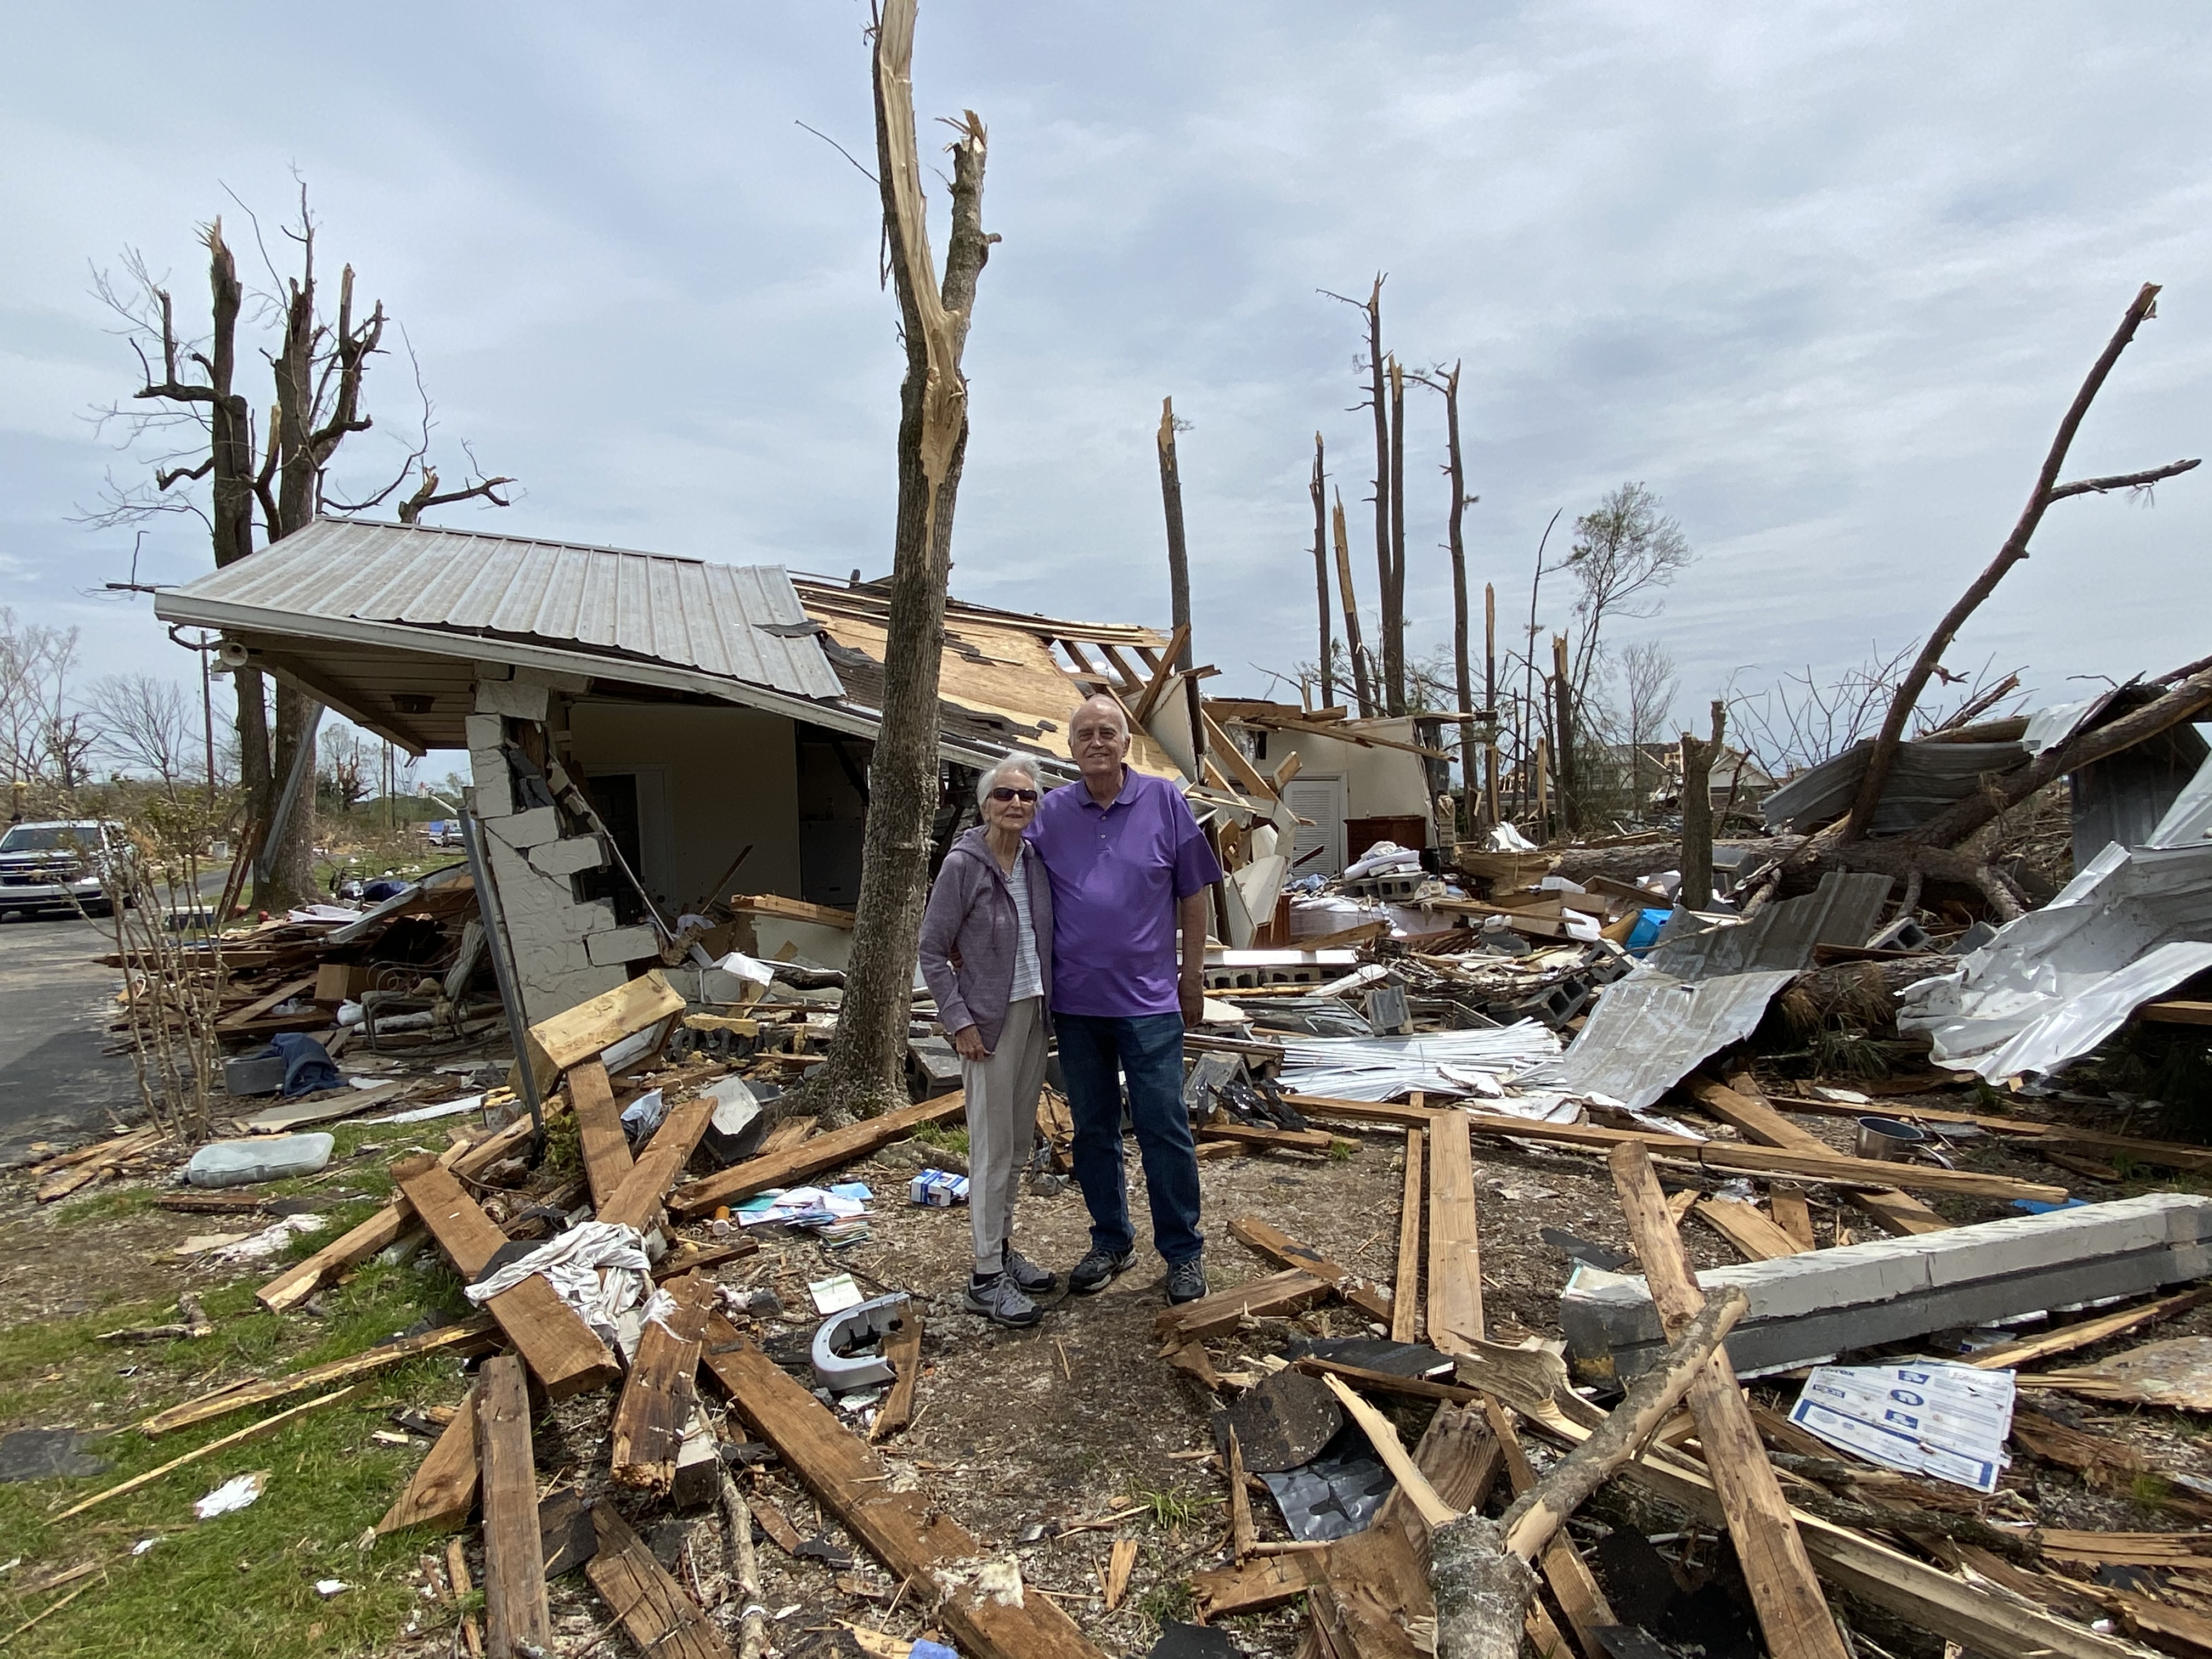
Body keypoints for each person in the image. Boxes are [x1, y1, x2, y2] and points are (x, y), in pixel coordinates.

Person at [1026, 693, 1221, 1306]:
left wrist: (1192, 978)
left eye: (1107, 731)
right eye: (1084, 733)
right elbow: (1007, 870)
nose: (1096, 741)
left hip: (1152, 1003)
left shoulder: (1164, 800)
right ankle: (1111, 1240)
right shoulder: (1051, 812)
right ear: (1070, 746)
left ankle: (1183, 1253)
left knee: (1164, 1127)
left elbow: (1196, 894)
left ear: (1126, 742)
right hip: (1078, 1004)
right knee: (1093, 1130)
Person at [917, 755, 1060, 1328]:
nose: (1017, 804)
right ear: (985, 803)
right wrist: (960, 1020)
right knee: (991, 1150)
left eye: (1028, 796)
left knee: (1019, 1144)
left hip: (1033, 1015)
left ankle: (1001, 1250)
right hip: (988, 1027)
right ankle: (982, 1278)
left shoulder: (1034, 862)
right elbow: (931, 950)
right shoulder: (963, 865)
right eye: (1006, 794)